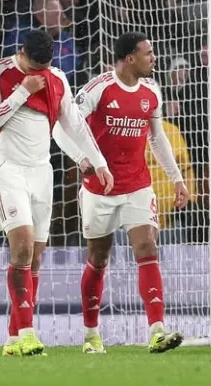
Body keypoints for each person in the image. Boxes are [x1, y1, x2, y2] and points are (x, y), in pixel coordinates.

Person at [0, 29, 113, 357]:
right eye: (34, 67)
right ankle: (27, 333)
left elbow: (75, 125)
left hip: (41, 174)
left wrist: (99, 162)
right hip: (8, 169)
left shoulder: (57, 78)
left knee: (36, 256)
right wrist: (22, 93)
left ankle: (13, 338)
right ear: (21, 53)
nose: (40, 73)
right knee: (22, 246)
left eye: (45, 67)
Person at [54, 31, 190, 354]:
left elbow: (156, 138)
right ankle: (91, 335)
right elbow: (62, 124)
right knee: (98, 257)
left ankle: (157, 331)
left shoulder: (152, 91)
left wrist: (177, 178)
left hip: (138, 186)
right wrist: (82, 159)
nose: (154, 58)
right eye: (148, 53)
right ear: (130, 58)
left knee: (147, 246)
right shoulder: (98, 88)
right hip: (99, 189)